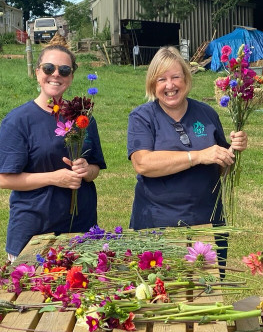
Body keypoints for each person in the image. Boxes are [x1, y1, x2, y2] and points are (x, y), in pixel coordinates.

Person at [127, 46, 247, 262]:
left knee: (207, 292)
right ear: (152, 84)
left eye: (175, 77)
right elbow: (143, 163)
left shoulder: (206, 113)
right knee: (161, 292)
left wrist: (232, 153)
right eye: (161, 79)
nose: (170, 85)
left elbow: (222, 168)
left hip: (207, 223)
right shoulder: (142, 117)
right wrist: (197, 156)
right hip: (157, 225)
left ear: (186, 79)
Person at [0, 44, 106, 261]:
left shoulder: (83, 117)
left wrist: (87, 170)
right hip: (35, 232)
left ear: (71, 76)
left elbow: (95, 168)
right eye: (49, 68)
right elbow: (4, 178)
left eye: (64, 70)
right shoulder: (18, 121)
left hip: (80, 228)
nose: (56, 74)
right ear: (38, 72)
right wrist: (55, 178)